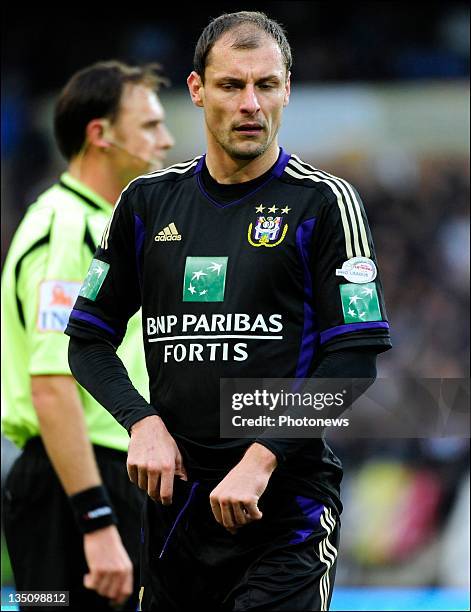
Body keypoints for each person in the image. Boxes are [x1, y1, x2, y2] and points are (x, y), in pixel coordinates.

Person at [66, 12, 392, 612]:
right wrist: (140, 421)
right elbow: (87, 340)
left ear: (287, 89)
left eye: (266, 85)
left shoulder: (323, 203)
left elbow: (354, 358)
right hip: (175, 513)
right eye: (231, 85)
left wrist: (262, 456)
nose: (251, 104)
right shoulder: (145, 203)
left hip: (283, 509)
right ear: (196, 90)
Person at [1, 60, 174, 610]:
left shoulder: (107, 225)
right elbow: (52, 383)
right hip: (72, 488)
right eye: (148, 126)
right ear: (99, 134)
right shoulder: (67, 230)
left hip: (97, 477)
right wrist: (96, 522)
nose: (165, 140)